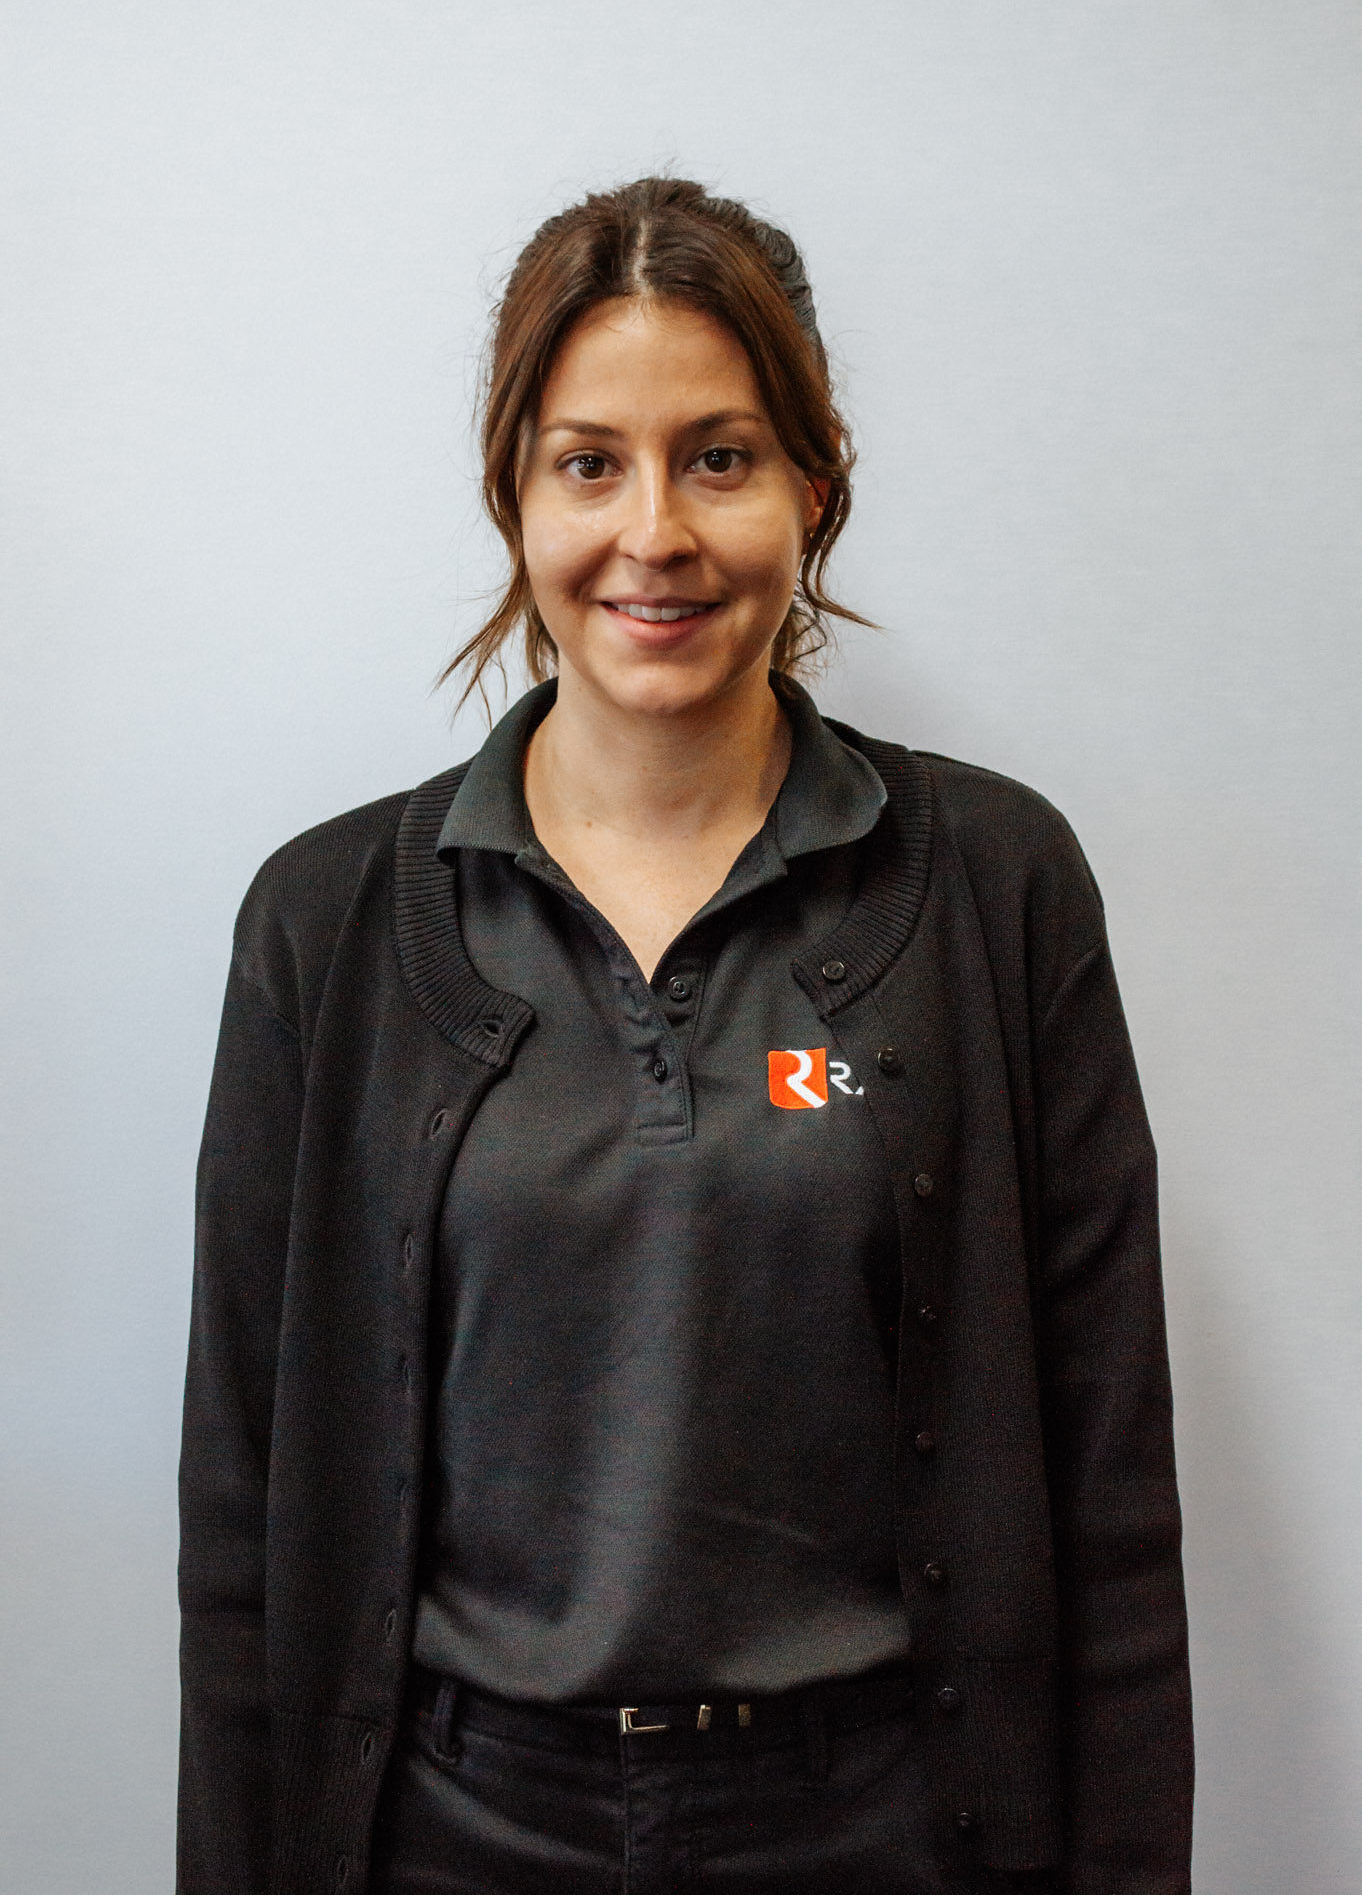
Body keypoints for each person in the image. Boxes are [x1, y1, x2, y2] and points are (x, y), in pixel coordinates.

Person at [178, 176, 1193, 1895]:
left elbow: (1107, 1490)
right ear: (511, 495)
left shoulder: (993, 884)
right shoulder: (324, 922)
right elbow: (242, 1528)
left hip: (889, 1829)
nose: (653, 532)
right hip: (448, 1833)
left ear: (815, 483)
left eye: (717, 457)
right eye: (589, 463)